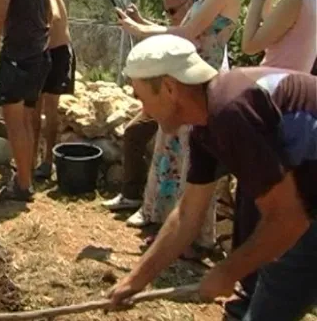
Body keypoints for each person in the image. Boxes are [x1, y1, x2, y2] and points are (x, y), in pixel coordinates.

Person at [107, 34, 317, 321]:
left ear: (169, 88)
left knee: (278, 283)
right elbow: (187, 215)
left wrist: (227, 271)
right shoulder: (207, 125)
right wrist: (135, 280)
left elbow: (288, 219)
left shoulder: (231, 111)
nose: (143, 111)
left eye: (143, 98)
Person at [114, 0, 240, 260]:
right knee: (173, 158)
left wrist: (140, 30)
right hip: (184, 84)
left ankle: (196, 239)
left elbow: (187, 33)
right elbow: (184, 28)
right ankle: (172, 230)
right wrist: (142, 23)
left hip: (201, 85)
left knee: (194, 165)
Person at [222, 0, 317, 316]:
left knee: (253, 202)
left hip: (270, 104)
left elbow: (249, 45)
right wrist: (267, 1)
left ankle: (247, 291)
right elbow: (280, 19)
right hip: (298, 109)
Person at [102, 0, 196, 209]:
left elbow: (173, 36)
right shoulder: (182, 26)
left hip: (182, 104)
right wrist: (139, 22)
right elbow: (165, 34)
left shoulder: (195, 29)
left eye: (173, 10)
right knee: (134, 131)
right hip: (164, 99)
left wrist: (139, 26)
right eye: (166, 11)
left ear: (190, 4)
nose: (170, 15)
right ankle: (134, 195)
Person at [0, 0, 52, 201]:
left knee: (15, 122)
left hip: (18, 56)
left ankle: (23, 185)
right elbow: (48, 13)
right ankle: (23, 180)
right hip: (39, 54)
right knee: (26, 120)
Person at [32, 0, 76, 180]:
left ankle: (48, 160)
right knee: (33, 109)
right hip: (40, 53)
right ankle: (31, 159)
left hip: (56, 53)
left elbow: (55, 16)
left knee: (50, 110)